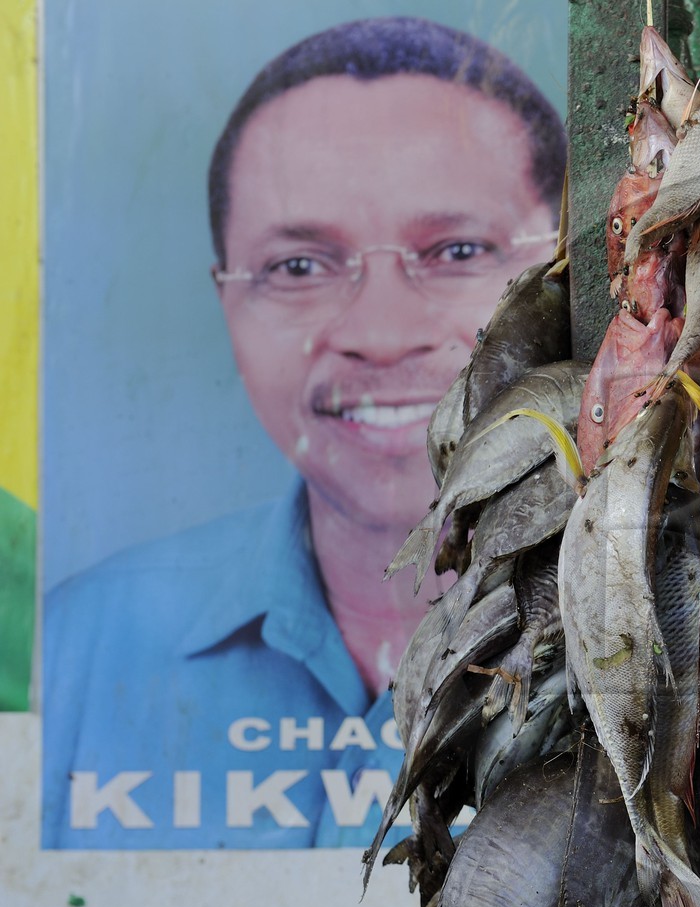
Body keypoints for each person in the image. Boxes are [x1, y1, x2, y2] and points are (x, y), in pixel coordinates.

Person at [41, 17, 566, 849]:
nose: (382, 331)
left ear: (567, 268)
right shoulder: (74, 649)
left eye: (458, 249)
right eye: (298, 266)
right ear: (227, 303)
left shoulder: (657, 618)